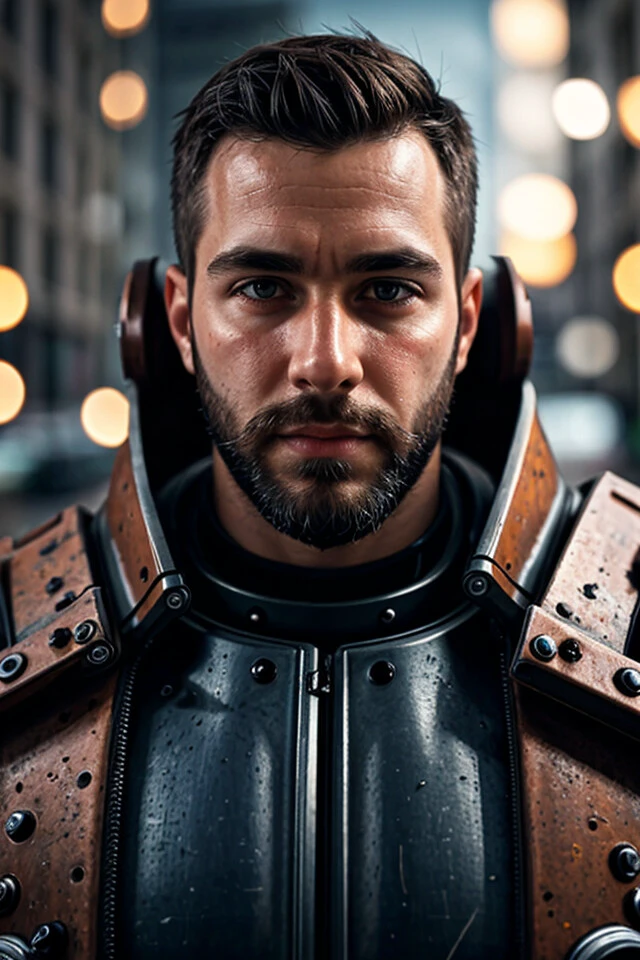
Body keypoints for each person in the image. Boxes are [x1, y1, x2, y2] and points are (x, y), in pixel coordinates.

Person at [2, 31, 640, 960]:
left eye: (387, 289)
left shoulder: (626, 632)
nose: (326, 364)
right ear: (177, 321)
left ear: (469, 323)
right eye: (262, 286)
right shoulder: (18, 643)